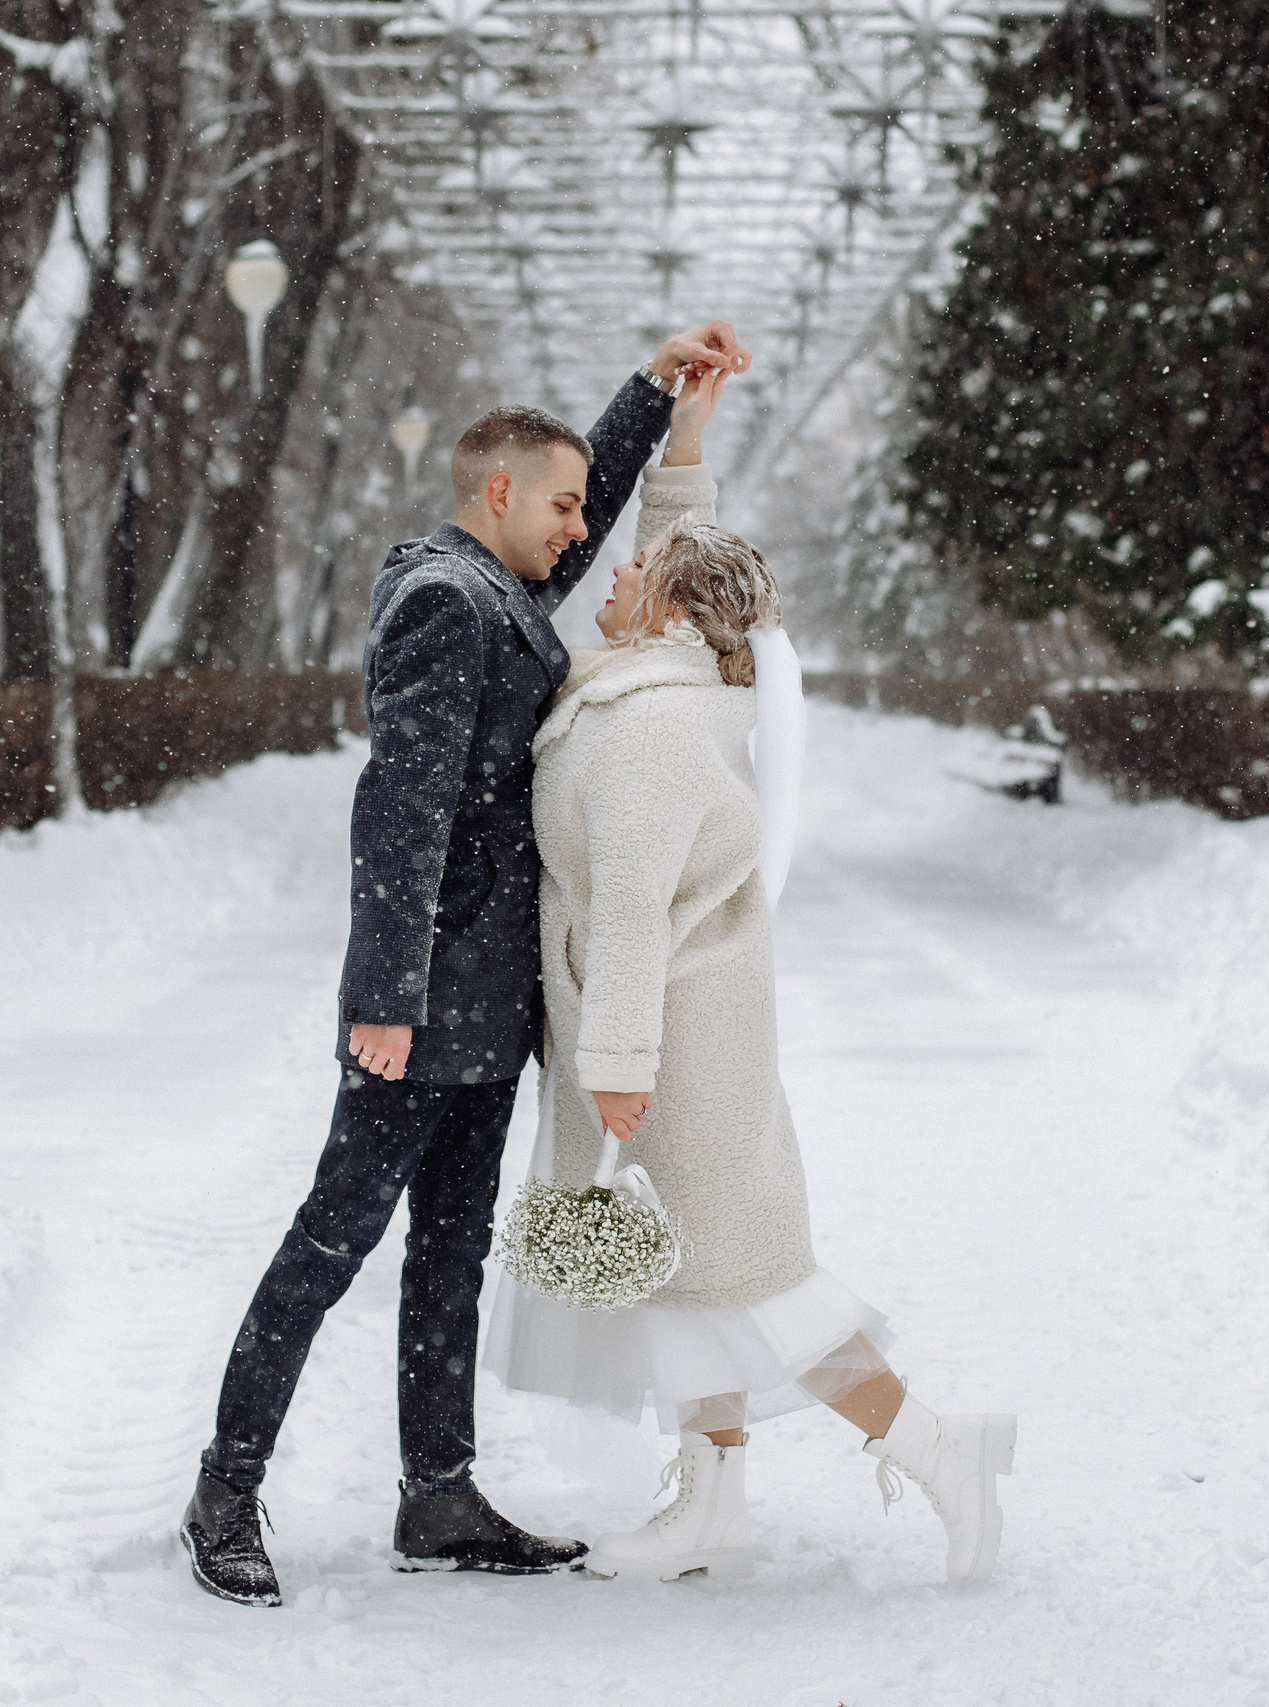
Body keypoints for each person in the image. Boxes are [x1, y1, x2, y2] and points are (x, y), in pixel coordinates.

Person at [179, 321, 755, 1608]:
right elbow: (401, 807)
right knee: (331, 1241)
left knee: (447, 1250)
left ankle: (437, 1493)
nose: (577, 527)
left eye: (577, 506)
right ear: (496, 493)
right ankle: (224, 1489)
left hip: (489, 1002)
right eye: (556, 505)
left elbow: (585, 497)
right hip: (425, 1003)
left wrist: (652, 397)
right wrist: (381, 998)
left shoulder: (494, 585)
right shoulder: (445, 600)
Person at [486, 393, 1019, 1585]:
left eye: (638, 571)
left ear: (672, 608)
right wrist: (684, 442)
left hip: (672, 1045)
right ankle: (712, 1500)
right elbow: (690, 553)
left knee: (747, 1291)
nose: (609, 576)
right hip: (688, 1037)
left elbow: (628, 906)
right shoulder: (658, 681)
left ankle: (937, 1451)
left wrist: (616, 1066)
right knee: (699, 1287)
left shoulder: (646, 722)